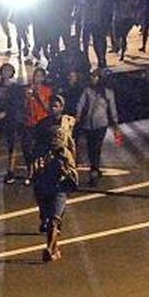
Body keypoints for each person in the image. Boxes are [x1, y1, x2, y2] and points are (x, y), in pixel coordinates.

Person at [30, 94, 77, 263]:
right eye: (52, 105)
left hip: (61, 174)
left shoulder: (68, 122)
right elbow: (35, 148)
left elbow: (72, 145)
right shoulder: (43, 126)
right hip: (49, 174)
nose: (53, 108)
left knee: (54, 217)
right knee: (53, 216)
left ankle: (51, 248)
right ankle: (52, 248)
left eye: (57, 105)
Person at [74, 69, 119, 186]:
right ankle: (95, 168)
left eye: (95, 77)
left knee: (95, 148)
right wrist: (78, 116)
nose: (92, 79)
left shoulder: (107, 92)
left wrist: (115, 122)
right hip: (90, 124)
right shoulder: (88, 91)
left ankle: (93, 172)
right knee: (92, 148)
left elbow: (112, 109)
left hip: (99, 124)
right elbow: (80, 104)